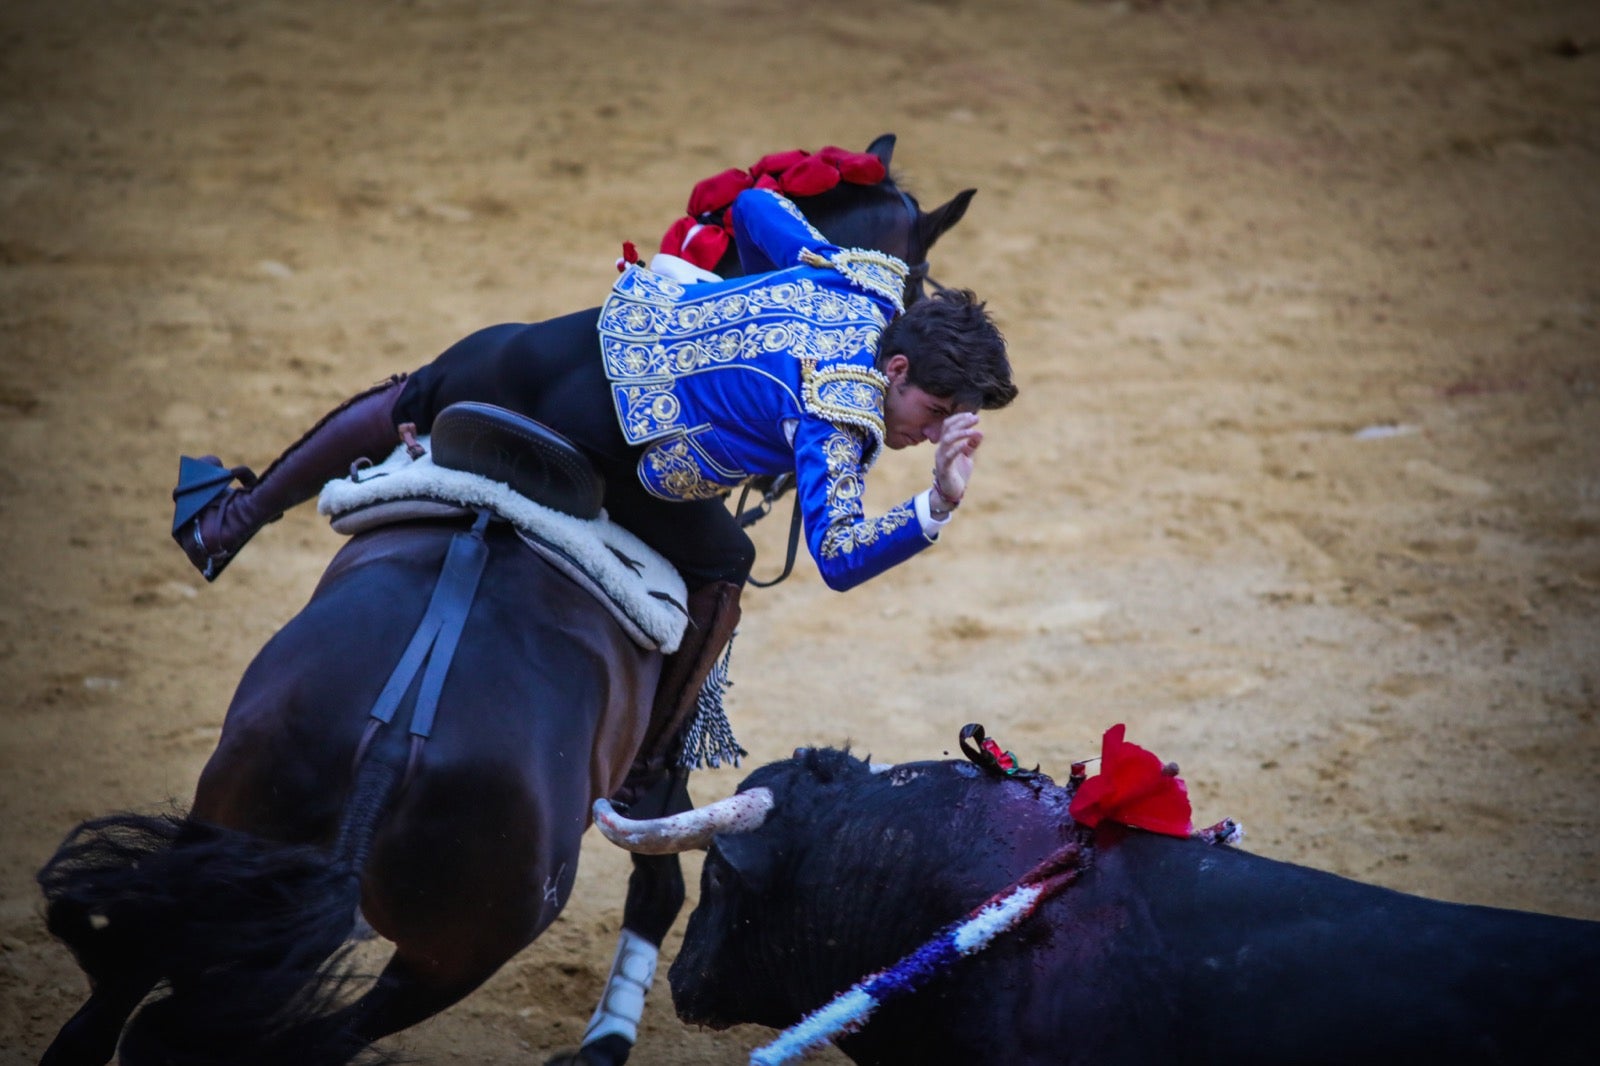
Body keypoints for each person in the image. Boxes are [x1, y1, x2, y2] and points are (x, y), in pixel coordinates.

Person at [172, 185, 1016, 766]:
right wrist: (934, 505)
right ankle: (654, 758)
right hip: (621, 465)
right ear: (896, 367)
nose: (931, 432)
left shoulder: (862, 279)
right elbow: (836, 557)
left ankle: (227, 524)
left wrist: (774, 287)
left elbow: (753, 205)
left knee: (423, 387)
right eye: (933, 410)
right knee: (723, 561)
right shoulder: (843, 417)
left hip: (566, 357)